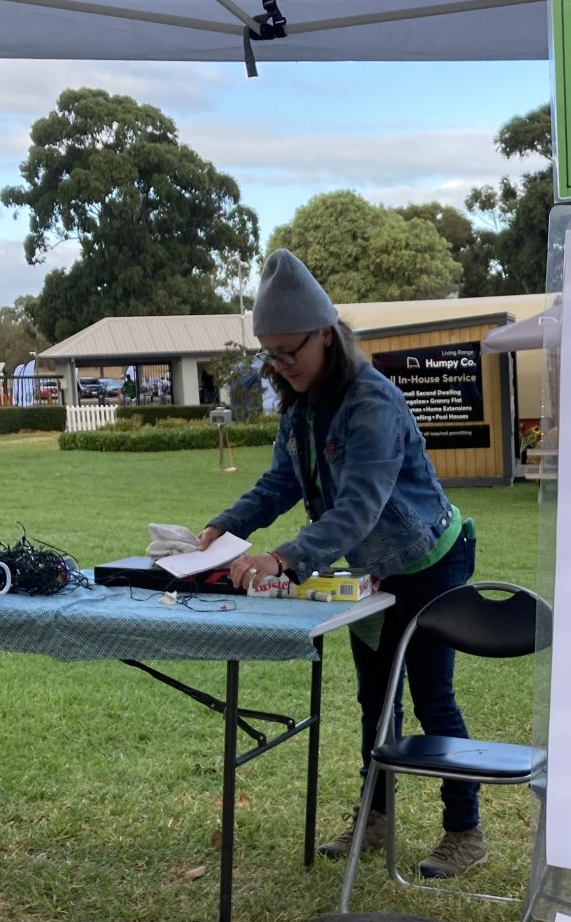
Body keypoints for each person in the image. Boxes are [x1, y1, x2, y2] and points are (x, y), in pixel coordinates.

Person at [198, 249, 484, 879]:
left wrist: (283, 557)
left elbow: (358, 507)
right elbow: (280, 483)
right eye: (269, 355)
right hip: (373, 573)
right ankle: (375, 817)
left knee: (433, 697)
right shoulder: (299, 408)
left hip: (432, 561)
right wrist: (226, 526)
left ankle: (464, 830)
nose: (280, 366)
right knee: (374, 697)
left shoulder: (372, 403)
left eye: (289, 352)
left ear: (327, 335)